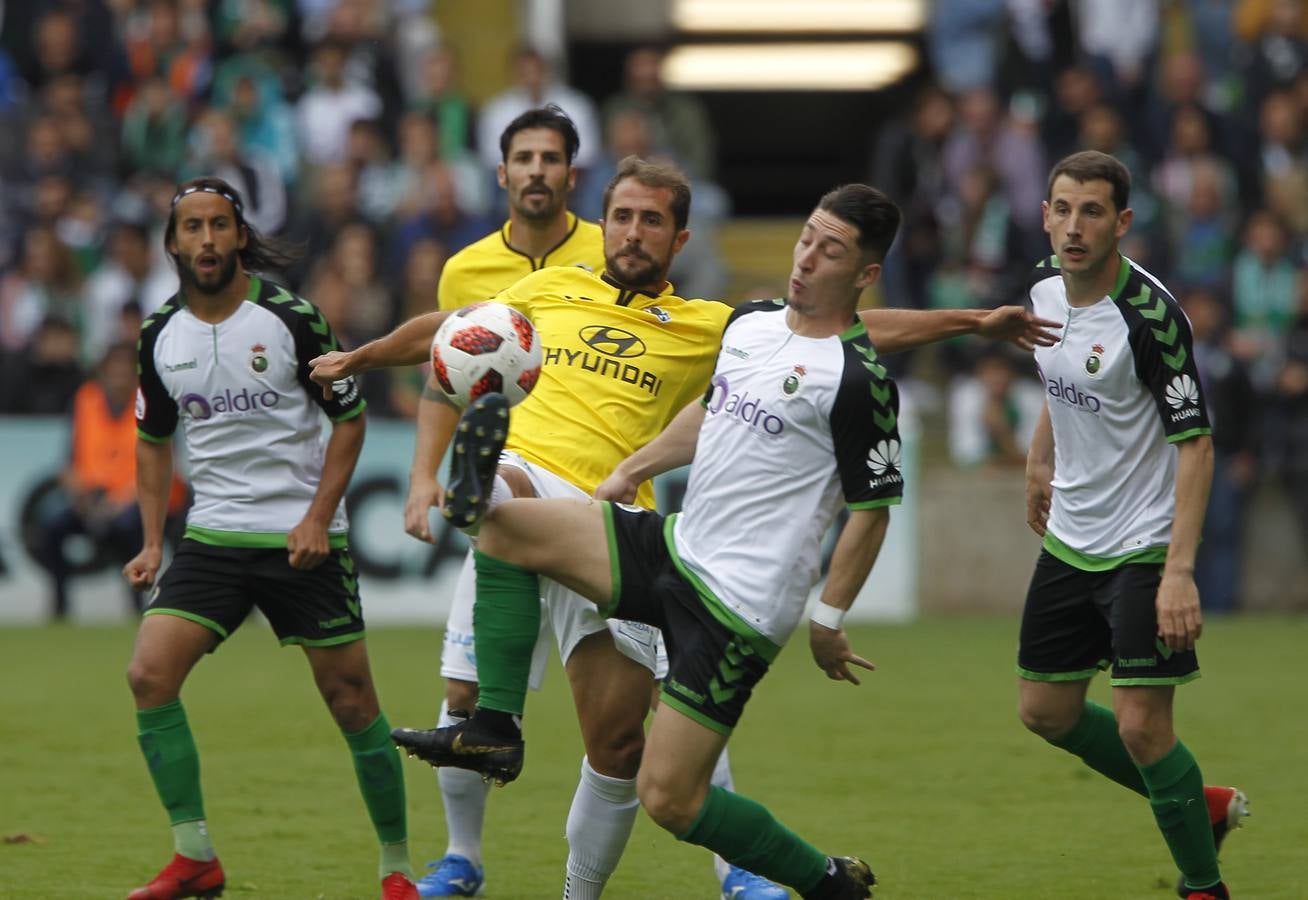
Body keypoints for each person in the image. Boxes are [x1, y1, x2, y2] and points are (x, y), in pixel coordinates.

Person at [394, 183, 912, 900]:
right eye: (805, 239)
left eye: (831, 251)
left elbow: (874, 509)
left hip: (737, 607)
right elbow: (710, 410)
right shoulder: (753, 326)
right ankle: (495, 725)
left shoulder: (861, 381)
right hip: (671, 546)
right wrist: (631, 470)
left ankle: (823, 881)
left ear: (864, 275)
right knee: (503, 526)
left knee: (672, 798)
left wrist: (829, 617)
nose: (806, 259)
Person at [320, 107, 789, 899]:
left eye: (651, 222)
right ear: (600, 224)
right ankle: (462, 858)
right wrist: (363, 359)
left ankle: (594, 888)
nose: (633, 232)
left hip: (611, 519)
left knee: (619, 740)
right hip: (526, 475)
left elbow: (830, 335)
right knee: (469, 655)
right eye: (623, 218)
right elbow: (450, 338)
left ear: (679, 241)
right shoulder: (544, 287)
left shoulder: (712, 325)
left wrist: (968, 323)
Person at [121, 177, 420, 900]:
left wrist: (318, 516)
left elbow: (350, 420)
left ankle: (397, 868)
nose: (206, 241)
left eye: (219, 226)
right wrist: (154, 541)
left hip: (300, 539)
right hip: (215, 539)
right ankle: (195, 857)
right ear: (172, 244)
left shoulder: (291, 318)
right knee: (148, 676)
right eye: (191, 228)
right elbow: (153, 440)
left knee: (352, 704)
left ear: (241, 236)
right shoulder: (160, 334)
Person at [1017, 151, 1248, 900]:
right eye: (1062, 209)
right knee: (1044, 711)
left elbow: (1198, 443)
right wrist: (1038, 457)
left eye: (1091, 212)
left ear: (1121, 223)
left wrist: (1178, 570)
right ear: (1046, 214)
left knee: (1142, 726)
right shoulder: (1043, 292)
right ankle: (1195, 802)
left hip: (1143, 542)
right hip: (1071, 535)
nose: (1074, 227)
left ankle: (1202, 886)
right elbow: (1062, 377)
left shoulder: (1152, 316)